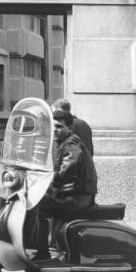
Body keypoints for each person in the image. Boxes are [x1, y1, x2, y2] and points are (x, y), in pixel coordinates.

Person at [33, 109, 98, 260]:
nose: (55, 130)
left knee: (37, 206)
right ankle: (52, 244)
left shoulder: (72, 145)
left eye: (59, 126)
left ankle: (43, 253)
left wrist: (44, 179)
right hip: (73, 194)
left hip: (77, 197)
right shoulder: (64, 143)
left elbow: (67, 170)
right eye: (52, 126)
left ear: (69, 128)